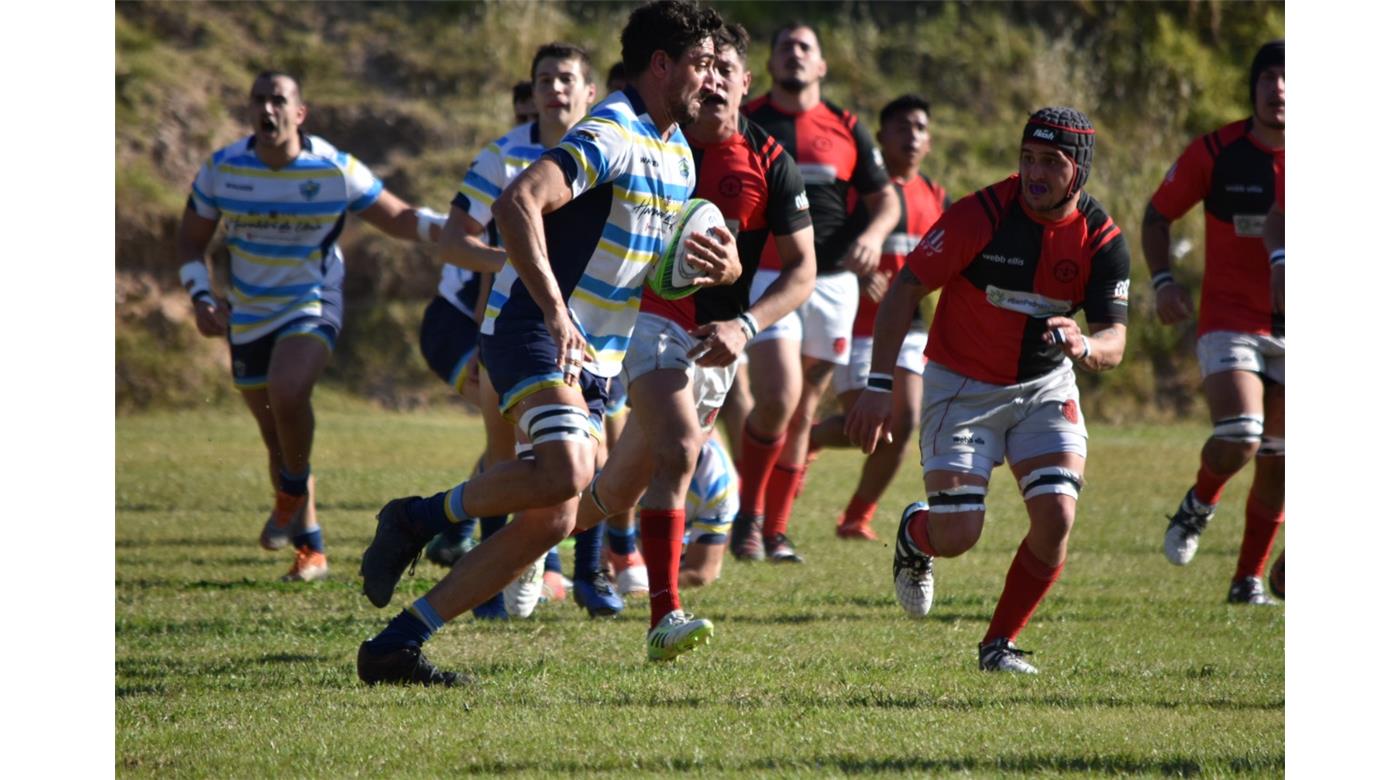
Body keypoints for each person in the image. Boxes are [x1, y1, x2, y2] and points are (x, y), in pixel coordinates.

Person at [354, 0, 730, 687]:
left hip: (597, 356)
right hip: (533, 328)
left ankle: (396, 646)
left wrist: (723, 270)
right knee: (567, 474)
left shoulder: (678, 151)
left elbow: (660, 257)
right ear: (662, 65)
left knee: (554, 517)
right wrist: (556, 312)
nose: (712, 79)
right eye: (702, 64)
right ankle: (415, 517)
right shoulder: (613, 131)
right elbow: (516, 202)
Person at [847, 107, 1131, 674]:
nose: (1034, 173)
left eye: (1051, 162)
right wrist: (878, 385)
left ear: (1080, 170)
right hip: (962, 386)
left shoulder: (1101, 240)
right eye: (1028, 158)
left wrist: (1084, 346)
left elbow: (1115, 342)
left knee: (1056, 516)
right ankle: (915, 532)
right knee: (957, 535)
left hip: (1044, 385)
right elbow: (904, 291)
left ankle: (998, 644)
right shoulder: (981, 214)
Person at [567, 20, 815, 660]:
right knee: (679, 452)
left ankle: (508, 539)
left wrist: (747, 323)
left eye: (725, 70)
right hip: (646, 321)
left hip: (716, 343)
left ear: (746, 82)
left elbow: (803, 269)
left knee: (618, 490)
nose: (712, 81)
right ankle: (664, 615)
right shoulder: (656, 141)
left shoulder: (770, 161)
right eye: (703, 68)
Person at [177, 71, 447, 583]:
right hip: (248, 313)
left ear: (300, 113)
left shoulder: (332, 169)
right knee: (274, 436)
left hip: (311, 303)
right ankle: (312, 547)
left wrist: (453, 231)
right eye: (259, 99)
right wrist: (201, 297)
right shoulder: (221, 170)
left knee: (289, 390)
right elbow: (190, 243)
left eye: (279, 99)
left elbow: (400, 218)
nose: (268, 108)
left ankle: (291, 491)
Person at [422, 42, 603, 620]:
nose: (556, 88)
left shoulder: (611, 152)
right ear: (532, 92)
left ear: (590, 91)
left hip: (595, 326)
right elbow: (454, 242)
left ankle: (587, 572)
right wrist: (522, 266)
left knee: (604, 451)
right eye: (545, 78)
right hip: (515, 324)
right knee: (507, 451)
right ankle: (495, 586)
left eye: (567, 77)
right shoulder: (504, 157)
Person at [733, 21, 899, 563]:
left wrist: (873, 238)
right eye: (785, 46)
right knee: (778, 398)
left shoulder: (847, 126)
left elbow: (886, 202)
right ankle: (748, 517)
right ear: (771, 62)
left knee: (804, 411)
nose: (795, 54)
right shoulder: (746, 120)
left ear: (822, 66)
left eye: (806, 47)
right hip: (768, 277)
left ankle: (774, 532)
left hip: (832, 286)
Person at [1143, 41, 1284, 606]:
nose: (1280, 88)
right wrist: (1162, 281)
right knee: (1242, 435)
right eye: (1269, 76)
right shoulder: (1218, 151)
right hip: (1230, 320)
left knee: (1278, 455)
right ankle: (1199, 502)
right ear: (1252, 88)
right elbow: (1157, 216)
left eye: (1291, 78)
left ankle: (1247, 579)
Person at [807, 94, 951, 541]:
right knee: (870, 430)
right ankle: (807, 437)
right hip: (857, 327)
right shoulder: (857, 193)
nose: (912, 136)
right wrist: (854, 274)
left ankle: (855, 517)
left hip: (910, 327)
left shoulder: (935, 196)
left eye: (920, 128)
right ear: (881, 138)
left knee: (903, 422)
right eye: (902, 127)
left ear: (929, 142)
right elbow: (824, 246)